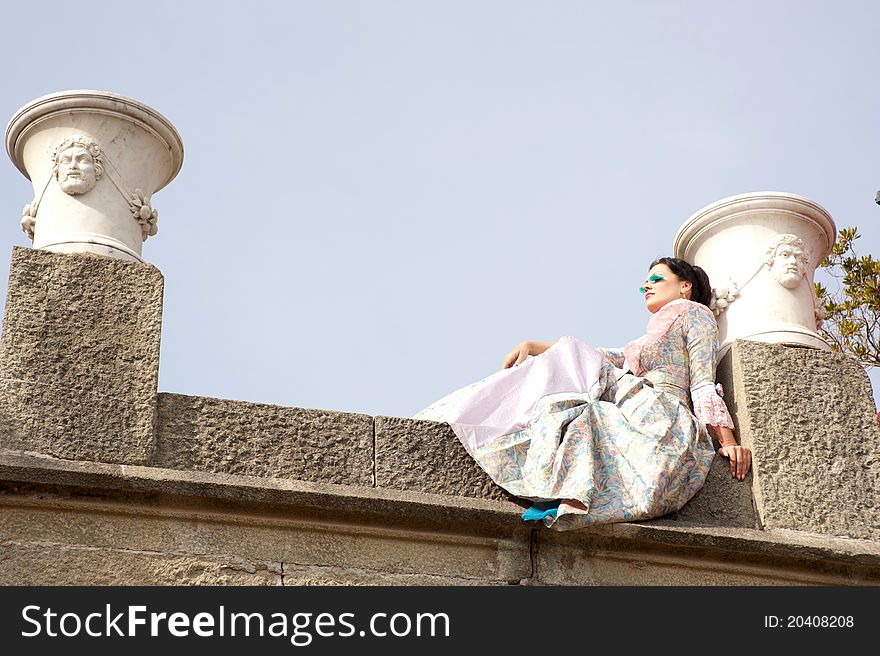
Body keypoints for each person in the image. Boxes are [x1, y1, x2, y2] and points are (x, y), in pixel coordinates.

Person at [414, 257, 751, 530]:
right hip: (638, 409)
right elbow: (602, 355)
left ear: (685, 287)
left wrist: (727, 440)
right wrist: (536, 346)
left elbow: (703, 382)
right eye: (643, 283)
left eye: (657, 279)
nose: (646, 286)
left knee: (582, 394)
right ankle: (555, 489)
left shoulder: (696, 314)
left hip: (664, 417)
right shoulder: (646, 338)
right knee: (564, 406)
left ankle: (570, 498)